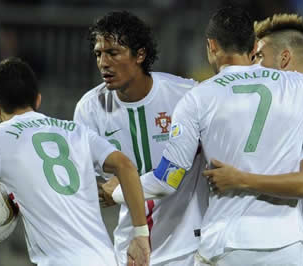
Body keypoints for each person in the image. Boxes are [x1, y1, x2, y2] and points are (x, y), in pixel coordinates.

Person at [110, 7, 303, 266]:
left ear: (211, 46)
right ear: (253, 49)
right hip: (286, 244)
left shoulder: (198, 97)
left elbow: (166, 182)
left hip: (226, 243)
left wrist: (120, 191)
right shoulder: (298, 85)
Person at [0, 57, 150, 266]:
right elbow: (126, 166)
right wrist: (141, 234)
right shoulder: (76, 131)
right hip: (105, 259)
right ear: (38, 100)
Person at [203, 14, 303, 266]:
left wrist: (240, 179)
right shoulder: (274, 119)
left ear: (284, 59)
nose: (252, 67)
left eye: (259, 57)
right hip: (282, 251)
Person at [74, 11, 208, 266]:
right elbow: (91, 186)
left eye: (113, 53)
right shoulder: (89, 109)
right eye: (98, 54)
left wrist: (116, 190)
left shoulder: (186, 95)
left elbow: (164, 181)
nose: (103, 62)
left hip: (188, 247)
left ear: (140, 54)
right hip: (130, 249)